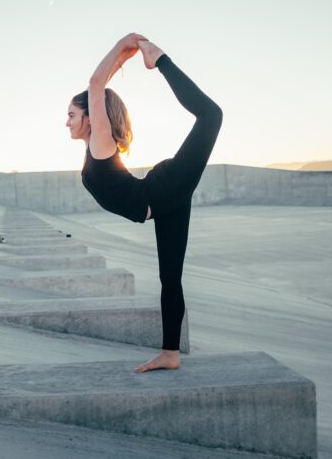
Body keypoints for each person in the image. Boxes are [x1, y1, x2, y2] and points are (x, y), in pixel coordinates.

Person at [66, 33, 223, 373]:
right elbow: (99, 90)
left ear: (91, 117)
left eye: (71, 114)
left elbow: (96, 85)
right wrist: (123, 58)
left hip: (164, 190)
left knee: (211, 115)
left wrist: (127, 45)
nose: (67, 121)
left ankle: (161, 59)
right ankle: (170, 353)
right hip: (163, 202)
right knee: (171, 278)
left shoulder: (101, 143)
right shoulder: (93, 149)